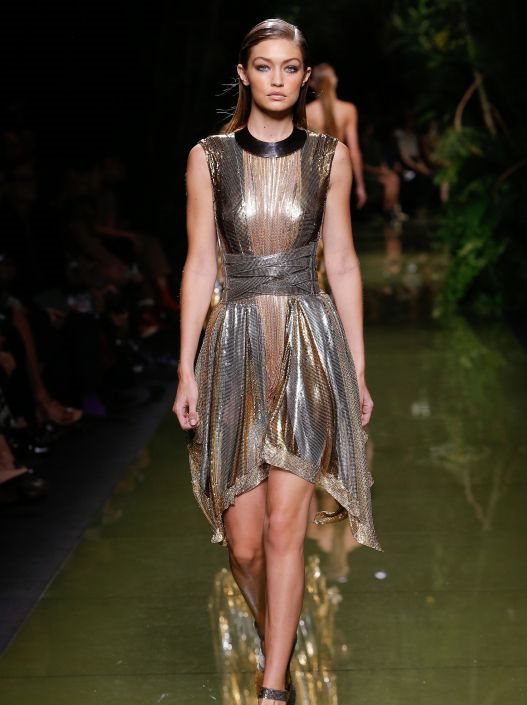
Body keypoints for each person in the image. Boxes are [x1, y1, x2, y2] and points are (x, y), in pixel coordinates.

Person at [173, 18, 381, 705]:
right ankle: (278, 640)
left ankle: (272, 687)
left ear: (305, 75)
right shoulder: (208, 157)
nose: (277, 79)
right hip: (233, 343)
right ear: (243, 73)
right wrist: (184, 366)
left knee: (286, 527)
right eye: (264, 66)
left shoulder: (328, 157)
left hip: (307, 342)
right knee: (244, 545)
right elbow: (199, 262)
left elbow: (342, 263)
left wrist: (355, 367)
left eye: (290, 67)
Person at [306, 63, 367, 209]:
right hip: (339, 168)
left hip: (314, 172)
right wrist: (360, 185)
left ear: (313, 84)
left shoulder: (306, 111)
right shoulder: (348, 109)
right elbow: (354, 152)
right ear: (334, 81)